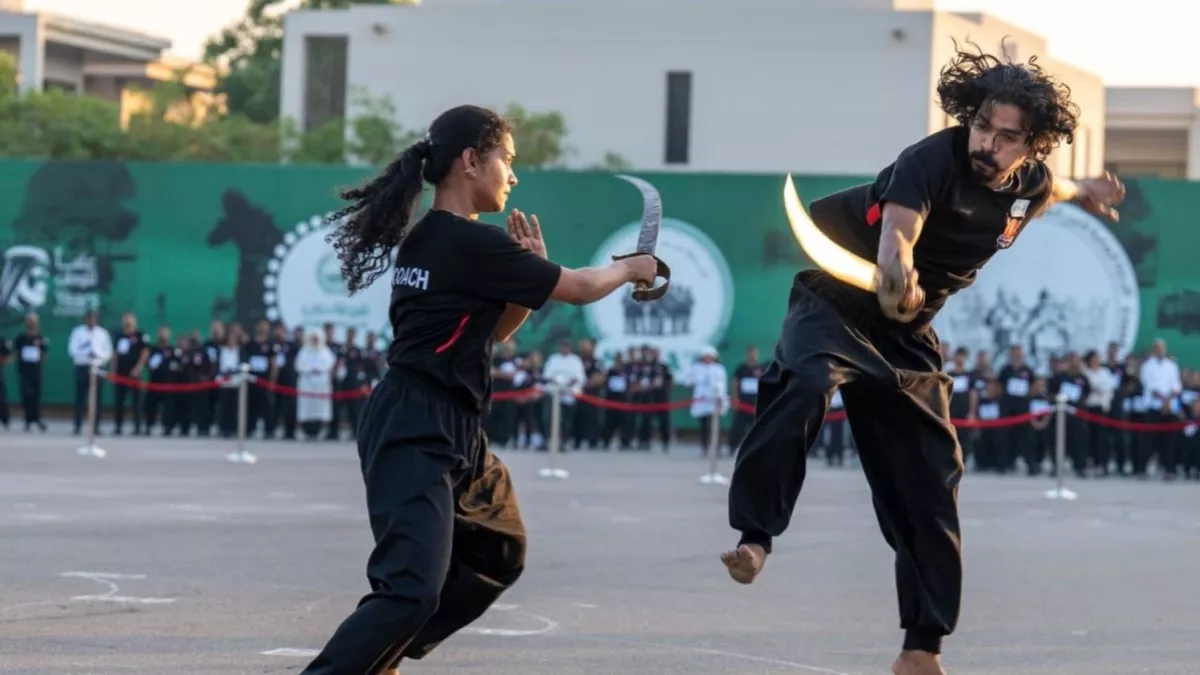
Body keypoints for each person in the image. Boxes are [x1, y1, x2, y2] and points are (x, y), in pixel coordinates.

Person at [719, 42, 1126, 675]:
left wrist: (1090, 188)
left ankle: (920, 648)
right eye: (981, 125)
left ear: (1033, 145)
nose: (986, 143)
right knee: (805, 381)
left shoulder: (1034, 187)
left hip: (909, 334)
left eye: (1005, 136)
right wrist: (896, 271)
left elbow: (1061, 188)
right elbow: (898, 232)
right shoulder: (931, 159)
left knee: (932, 478)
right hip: (839, 299)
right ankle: (755, 536)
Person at [299, 104, 657, 675]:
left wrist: (526, 276)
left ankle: (390, 644)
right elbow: (585, 287)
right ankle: (378, 643)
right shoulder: (468, 244)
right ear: (471, 161)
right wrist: (634, 267)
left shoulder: (436, 240)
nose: (512, 176)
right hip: (415, 426)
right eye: (506, 161)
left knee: (500, 549)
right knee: (410, 589)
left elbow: (491, 335)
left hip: (453, 425)